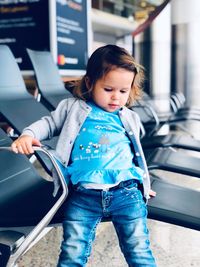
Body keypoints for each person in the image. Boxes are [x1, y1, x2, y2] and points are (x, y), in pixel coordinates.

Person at [11, 44, 156, 267]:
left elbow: (133, 154)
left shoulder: (129, 118)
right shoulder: (72, 107)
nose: (116, 97)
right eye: (108, 89)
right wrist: (28, 135)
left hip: (126, 192)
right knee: (72, 252)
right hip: (83, 195)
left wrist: (143, 183)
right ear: (90, 83)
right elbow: (48, 123)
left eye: (123, 91)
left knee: (138, 249)